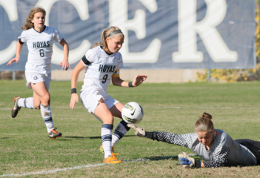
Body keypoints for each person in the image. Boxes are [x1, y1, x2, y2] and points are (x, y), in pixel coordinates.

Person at [70, 26, 147, 164]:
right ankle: (108, 156)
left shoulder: (117, 57)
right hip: (89, 93)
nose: (119, 46)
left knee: (130, 117)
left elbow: (116, 81)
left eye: (121, 43)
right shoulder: (94, 53)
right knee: (108, 118)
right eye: (117, 43)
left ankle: (108, 143)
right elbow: (75, 70)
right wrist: (73, 92)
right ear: (107, 40)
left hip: (103, 94)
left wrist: (133, 84)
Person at [7, 7, 70, 139]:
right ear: (32, 20)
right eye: (38, 17)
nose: (40, 19)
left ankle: (19, 102)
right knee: (46, 98)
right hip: (33, 70)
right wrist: (17, 56)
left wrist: (65, 59)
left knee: (37, 104)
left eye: (42, 17)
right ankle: (51, 129)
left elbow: (65, 44)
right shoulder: (28, 33)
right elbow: (20, 42)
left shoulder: (52, 31)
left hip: (46, 71)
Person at [128, 112, 260, 168]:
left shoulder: (223, 138)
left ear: (214, 132)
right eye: (200, 137)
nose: (203, 141)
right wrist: (147, 134)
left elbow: (220, 162)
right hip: (236, 146)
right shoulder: (192, 139)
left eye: (207, 137)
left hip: (252, 152)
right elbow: (172, 137)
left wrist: (196, 164)